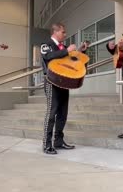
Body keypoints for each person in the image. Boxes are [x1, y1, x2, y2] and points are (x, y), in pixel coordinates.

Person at [40, 23, 87, 154]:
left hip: (64, 83)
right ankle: (47, 144)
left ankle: (59, 141)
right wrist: (66, 51)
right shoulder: (46, 44)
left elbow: (73, 61)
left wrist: (81, 51)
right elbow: (48, 56)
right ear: (55, 32)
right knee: (51, 113)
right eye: (63, 32)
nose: (65, 34)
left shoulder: (64, 47)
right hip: (51, 82)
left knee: (62, 114)